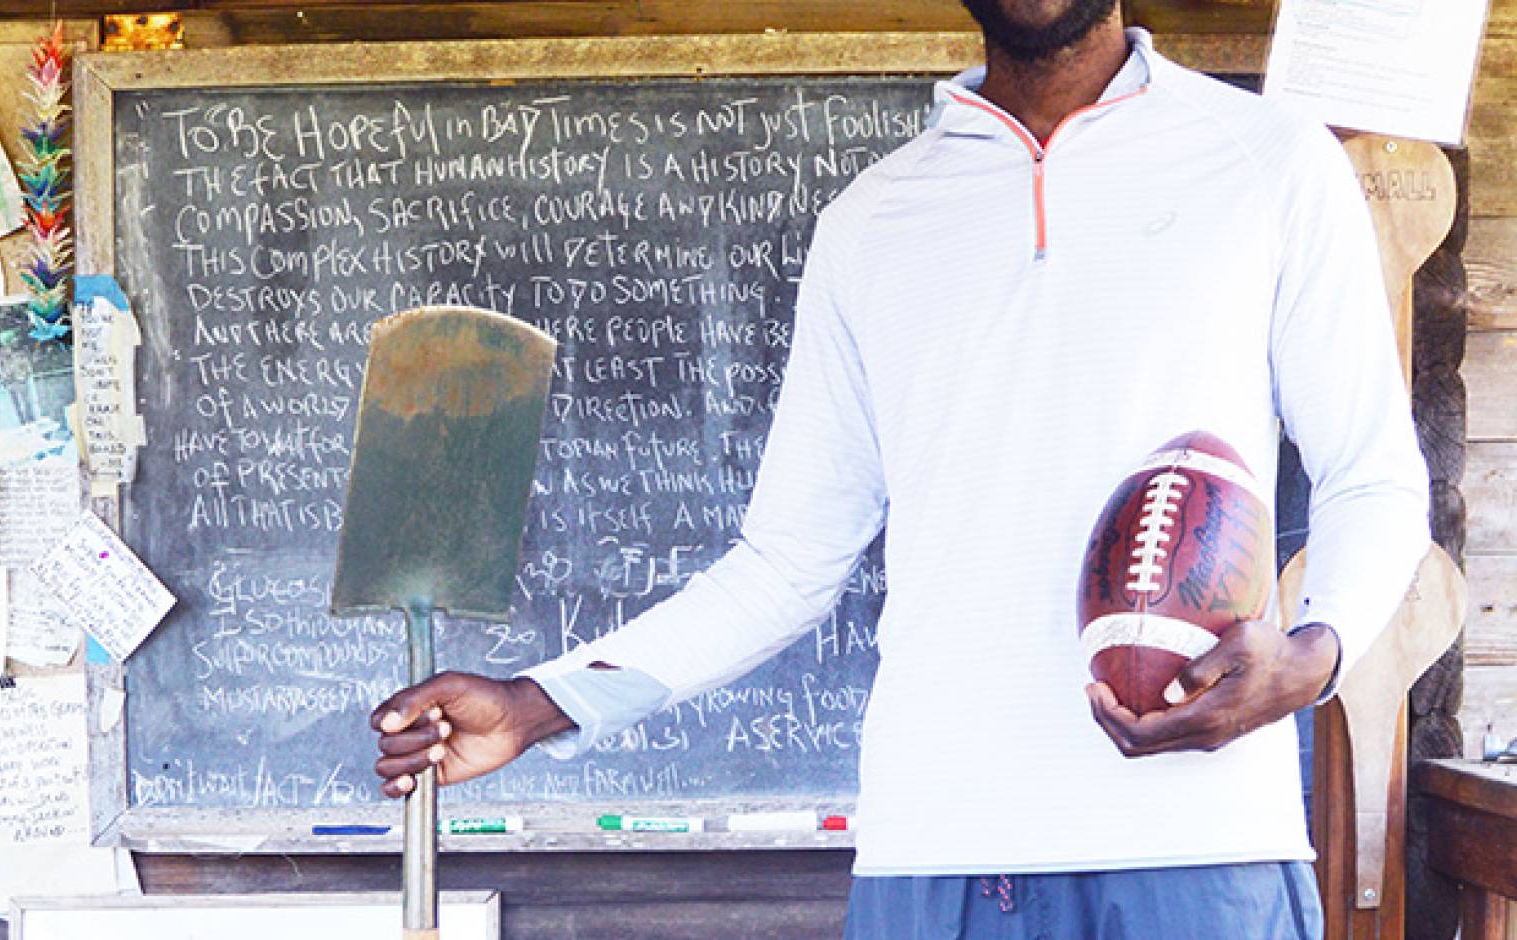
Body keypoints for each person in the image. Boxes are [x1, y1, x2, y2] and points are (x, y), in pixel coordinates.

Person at [369, 1, 1431, 936]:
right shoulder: (871, 224)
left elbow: (1372, 476)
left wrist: (1315, 652)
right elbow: (784, 564)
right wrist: (537, 701)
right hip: (937, 851)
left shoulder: (1269, 161)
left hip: (1201, 848)